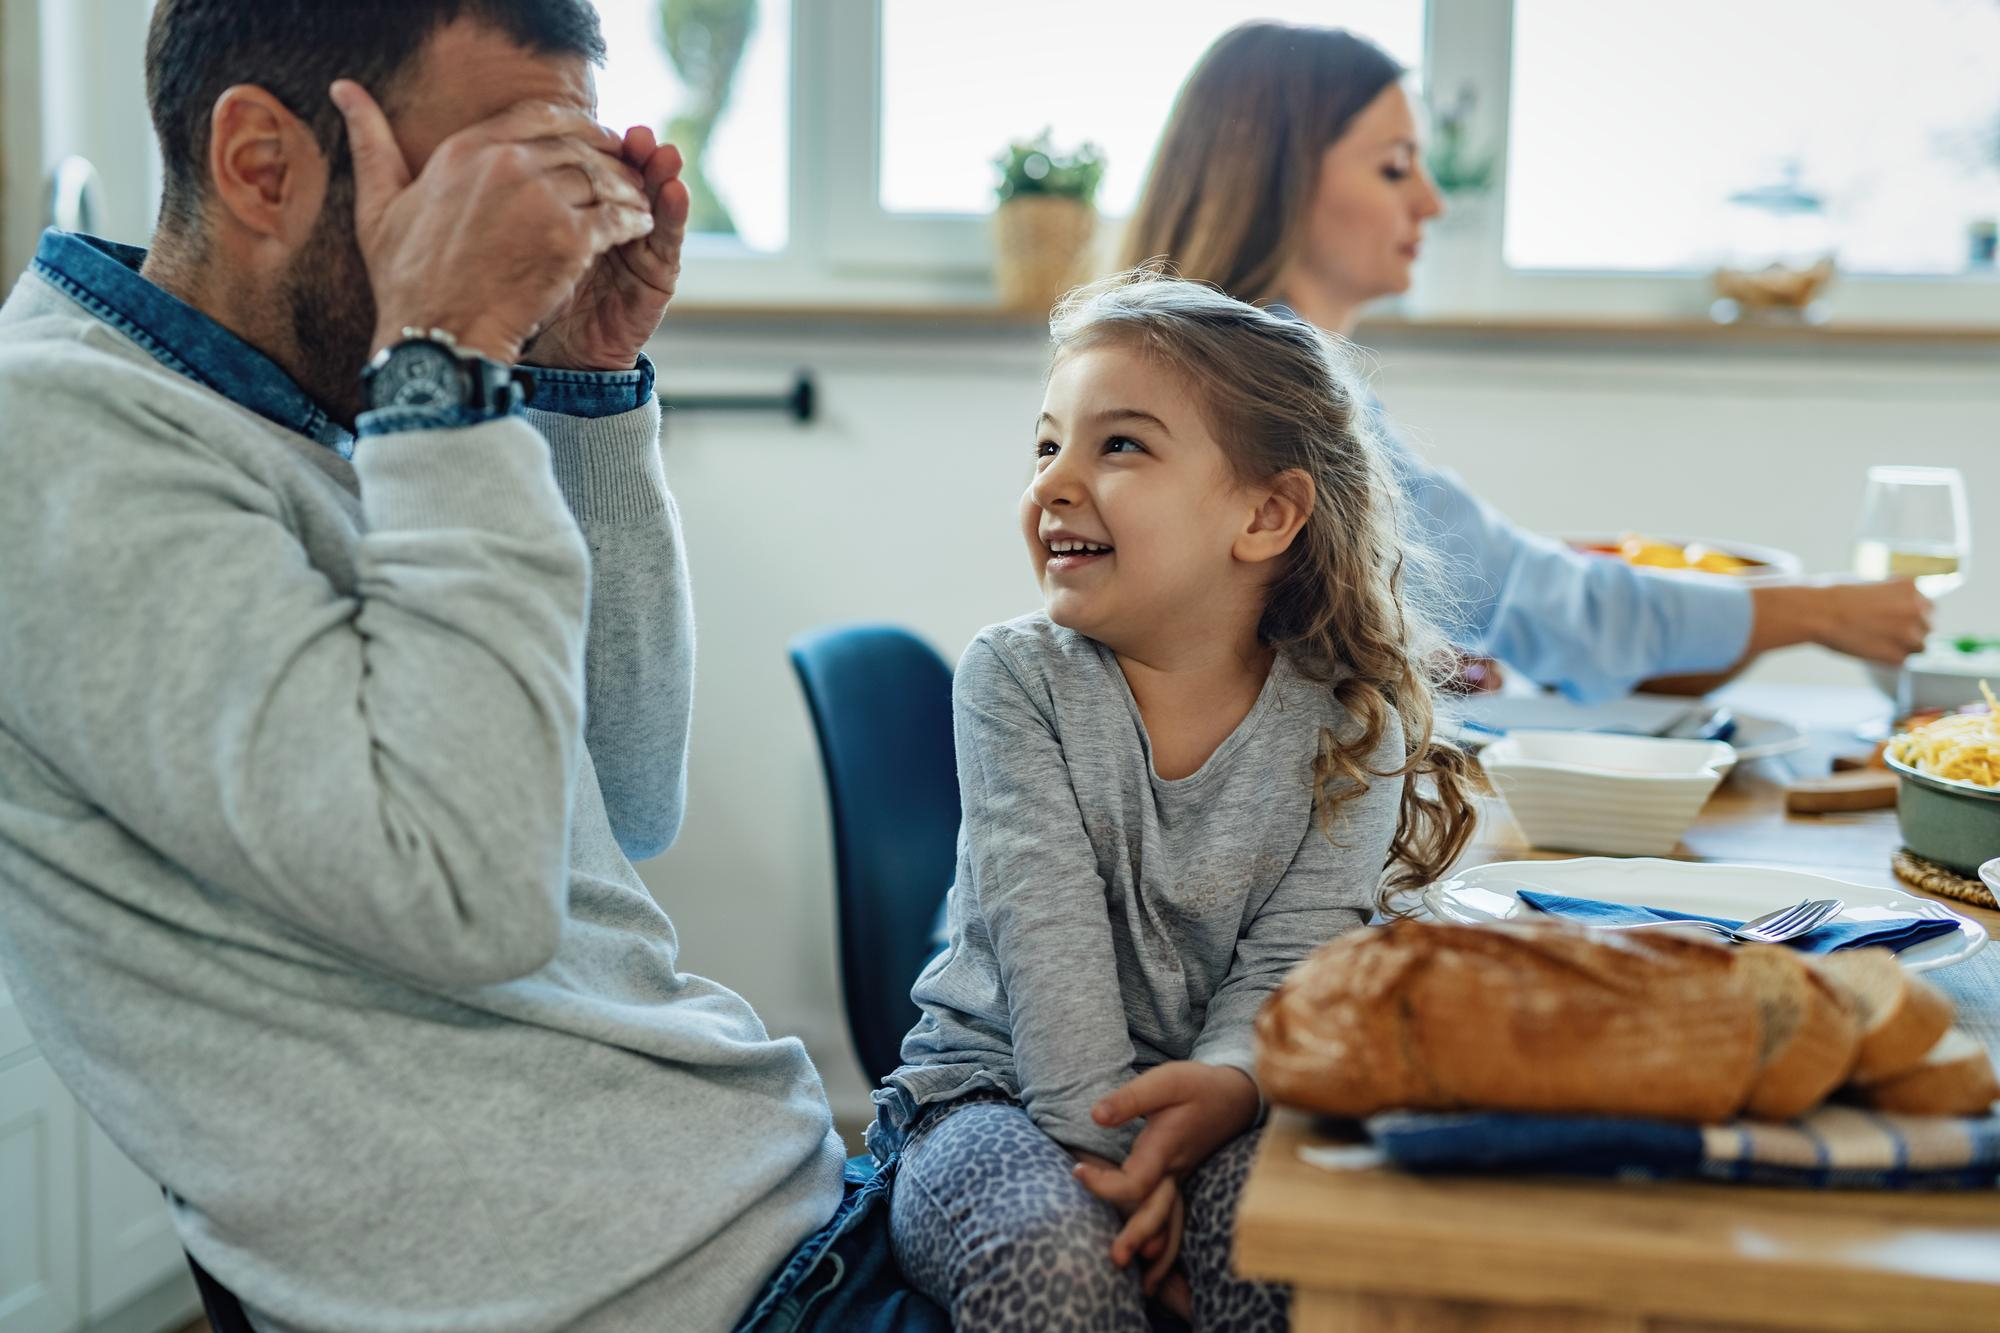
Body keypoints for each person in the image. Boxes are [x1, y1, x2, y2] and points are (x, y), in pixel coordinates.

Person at [0, 3, 944, 1330]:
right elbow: (471, 897)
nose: (540, 234)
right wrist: (445, 363)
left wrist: (580, 391)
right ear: (261, 164)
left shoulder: (343, 404)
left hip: (782, 1214)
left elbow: (621, 797)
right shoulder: (59, 442)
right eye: (489, 179)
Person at [870, 270, 1483, 1330]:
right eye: (1046, 444)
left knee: (1296, 1250)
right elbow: (1044, 932)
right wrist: (1113, 1157)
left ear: (1265, 514)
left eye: (1119, 445)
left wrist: (1234, 1084)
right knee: (1055, 1259)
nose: (1054, 482)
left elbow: (1292, 952)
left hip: (1224, 1101)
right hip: (994, 1093)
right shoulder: (1013, 679)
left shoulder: (1353, 720)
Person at [1119, 22, 1933, 704]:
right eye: (1395, 165)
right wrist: (1820, 611)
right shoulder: (1273, 389)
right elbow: (1539, 602)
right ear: (1283, 179)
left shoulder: (1210, 365)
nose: (1432, 200)